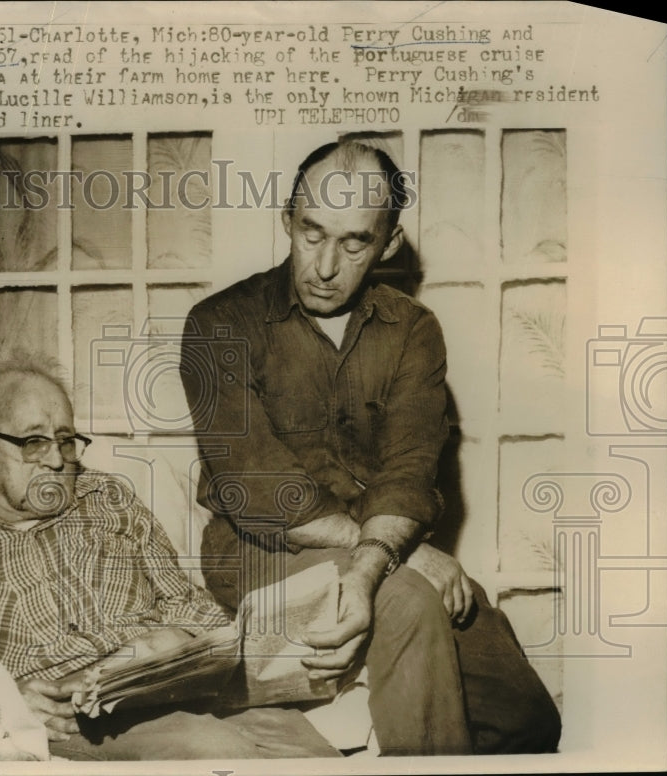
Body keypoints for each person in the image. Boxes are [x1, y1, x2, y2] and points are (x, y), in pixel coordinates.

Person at [181, 140, 561, 755]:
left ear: (386, 244)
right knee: (408, 598)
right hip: (252, 547)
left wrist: (376, 556)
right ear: (287, 218)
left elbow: (410, 467)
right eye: (311, 232)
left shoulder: (413, 329)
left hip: (377, 538)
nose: (324, 265)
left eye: (354, 242)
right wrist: (398, 556)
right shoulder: (219, 322)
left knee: (526, 719)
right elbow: (257, 487)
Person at [0, 352, 340, 761]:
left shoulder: (109, 499)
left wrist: (187, 639)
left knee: (315, 756)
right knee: (214, 752)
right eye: (33, 442)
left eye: (65, 440)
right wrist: (0, 702)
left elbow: (183, 601)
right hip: (75, 719)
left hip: (171, 684)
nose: (58, 460)